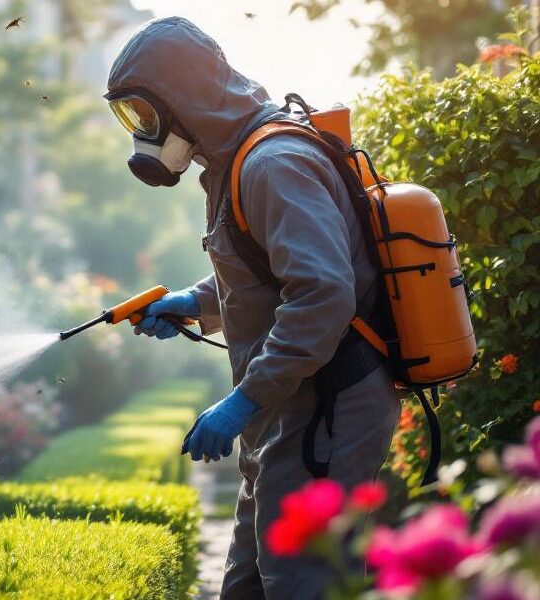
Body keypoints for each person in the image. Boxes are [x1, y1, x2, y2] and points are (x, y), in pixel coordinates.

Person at [104, 16, 398, 599]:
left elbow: (321, 295)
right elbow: (265, 269)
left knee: (303, 584)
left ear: (184, 98)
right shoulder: (234, 162)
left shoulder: (271, 164)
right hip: (289, 410)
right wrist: (195, 301)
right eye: (132, 118)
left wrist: (243, 401)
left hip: (327, 407)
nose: (144, 132)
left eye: (146, 113)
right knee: (246, 585)